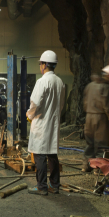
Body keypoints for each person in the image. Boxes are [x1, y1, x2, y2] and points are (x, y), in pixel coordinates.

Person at [26, 50, 66, 196]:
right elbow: (61, 105)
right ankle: (54, 185)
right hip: (53, 123)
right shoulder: (59, 82)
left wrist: (29, 115)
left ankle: (42, 186)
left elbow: (35, 103)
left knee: (40, 155)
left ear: (44, 65)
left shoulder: (42, 81)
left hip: (41, 124)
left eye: (40, 64)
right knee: (52, 154)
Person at [82, 65, 109, 172]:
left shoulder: (90, 85)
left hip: (88, 117)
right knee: (101, 145)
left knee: (90, 143)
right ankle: (97, 169)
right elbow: (107, 106)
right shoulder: (106, 88)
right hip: (100, 118)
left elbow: (85, 102)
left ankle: (86, 166)